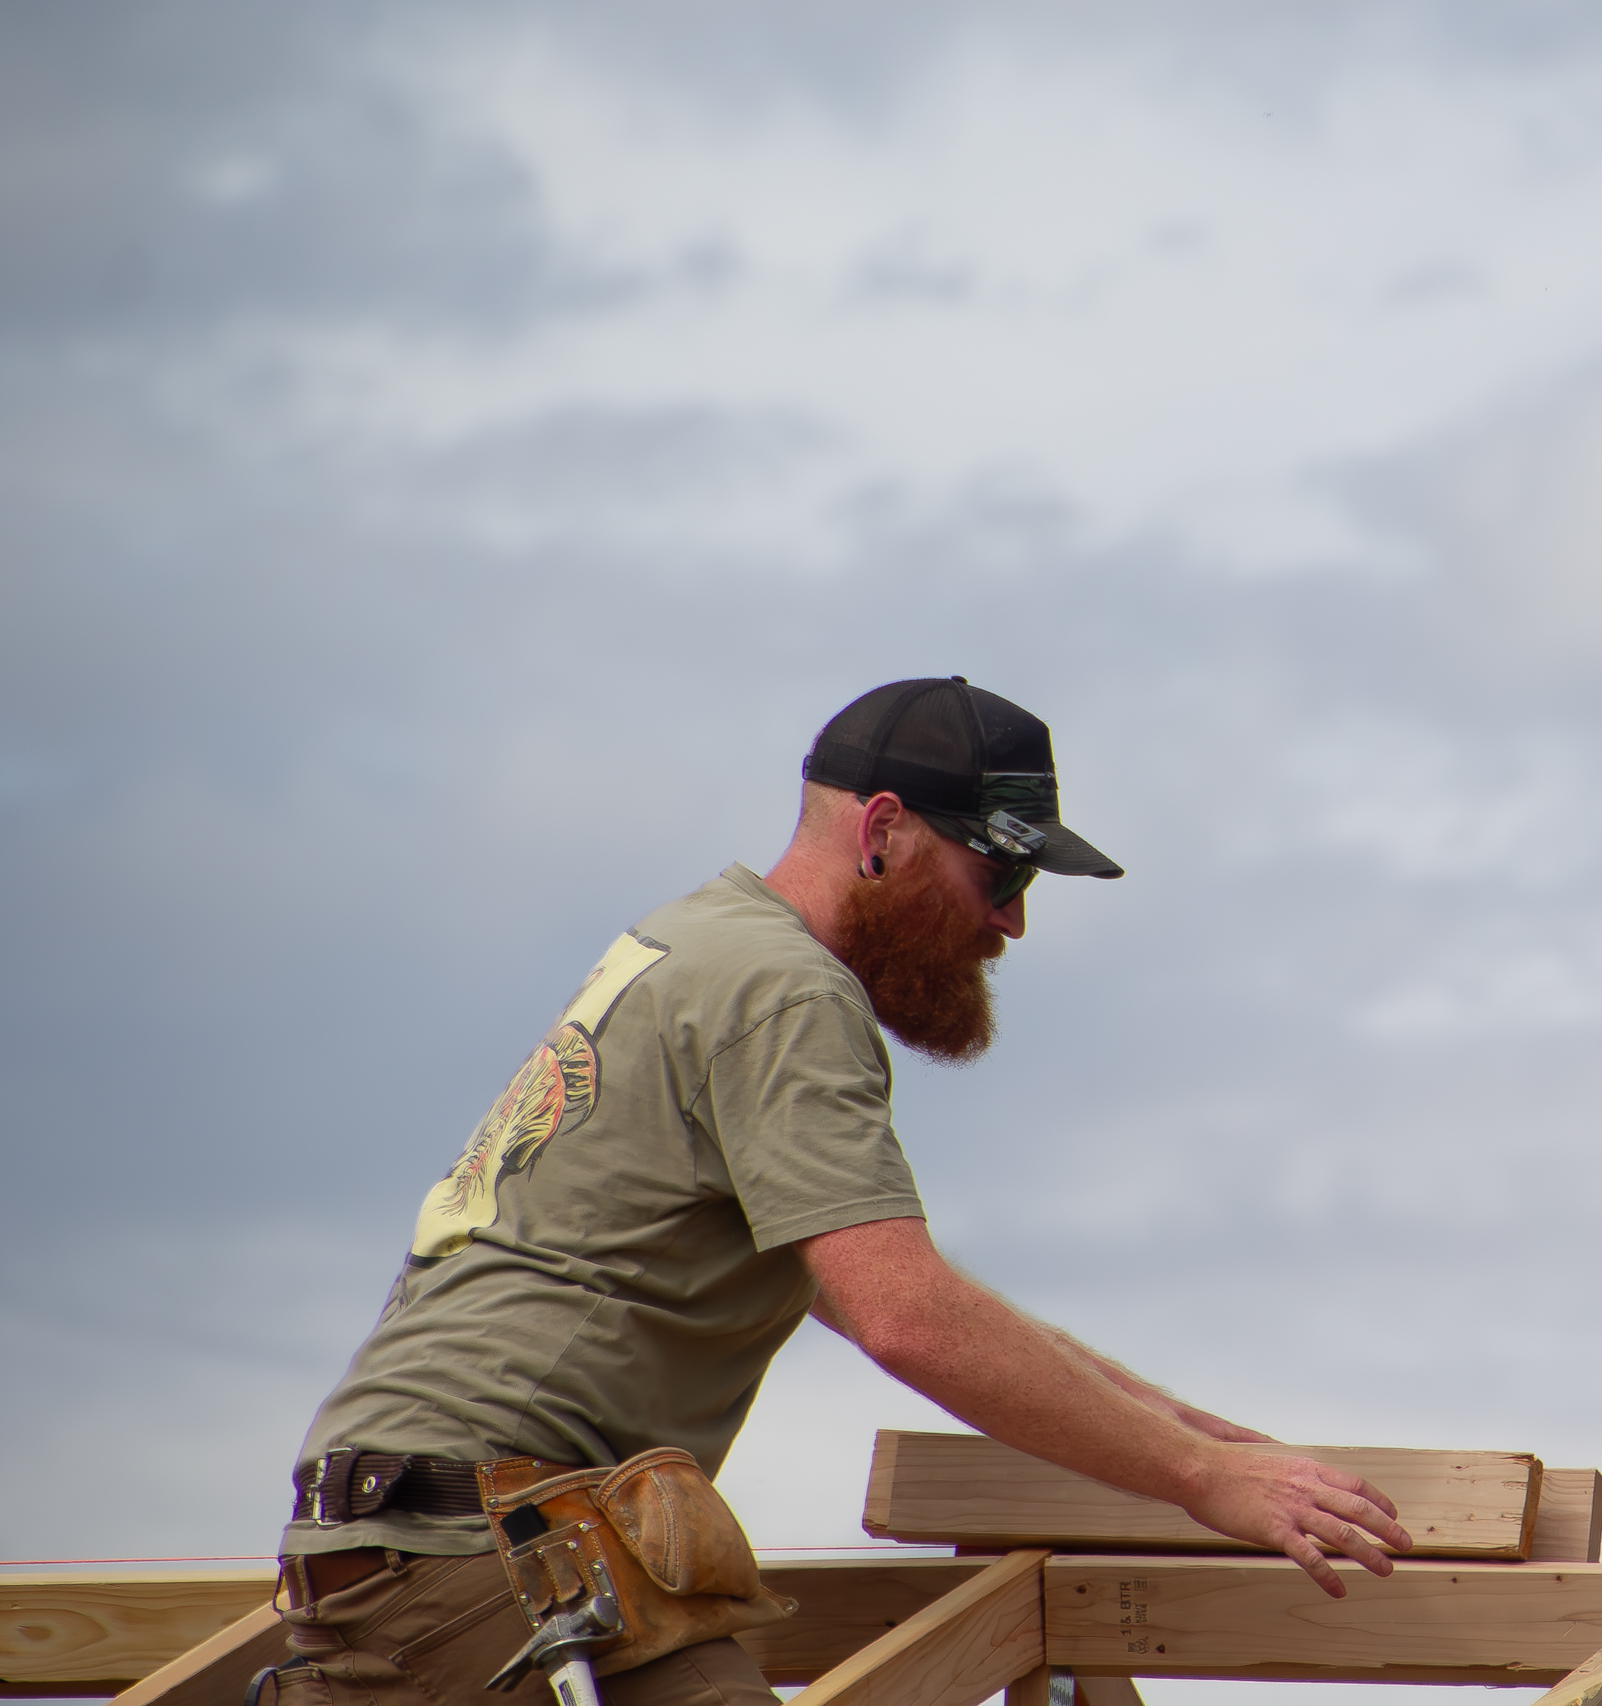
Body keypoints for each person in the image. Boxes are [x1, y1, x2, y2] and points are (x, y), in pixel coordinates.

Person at [272, 677, 1411, 1706]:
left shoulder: (693, 945)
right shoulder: (784, 991)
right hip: (491, 1553)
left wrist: (1188, 1430)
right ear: (883, 830)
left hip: (414, 1540)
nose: (1012, 919)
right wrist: (1203, 1480)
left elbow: (888, 1284)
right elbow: (905, 1314)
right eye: (1000, 869)